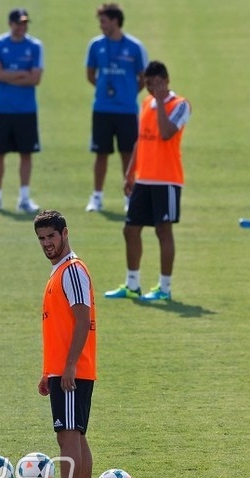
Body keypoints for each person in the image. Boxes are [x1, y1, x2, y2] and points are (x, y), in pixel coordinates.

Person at [27, 210, 97, 478]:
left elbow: (83, 321)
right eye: (41, 238)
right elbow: (59, 328)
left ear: (65, 233)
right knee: (76, 436)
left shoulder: (72, 271)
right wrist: (49, 371)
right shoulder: (59, 272)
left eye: (51, 236)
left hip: (73, 371)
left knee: (68, 436)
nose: (46, 243)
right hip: (63, 370)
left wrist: (68, 367)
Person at [104, 61, 191, 302]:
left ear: (166, 80)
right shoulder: (145, 103)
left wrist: (161, 102)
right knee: (130, 229)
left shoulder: (180, 105)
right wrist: (130, 172)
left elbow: (166, 132)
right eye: (148, 84)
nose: (151, 89)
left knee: (163, 231)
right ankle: (132, 284)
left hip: (167, 180)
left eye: (155, 83)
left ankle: (165, 288)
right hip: (144, 179)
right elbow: (140, 140)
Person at [84, 2, 148, 212]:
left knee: (128, 154)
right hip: (102, 109)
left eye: (104, 21)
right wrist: (104, 90)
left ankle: (129, 198)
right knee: (101, 153)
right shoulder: (95, 45)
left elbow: (143, 78)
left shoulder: (134, 47)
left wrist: (127, 93)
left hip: (127, 110)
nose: (101, 25)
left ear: (115, 21)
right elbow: (91, 74)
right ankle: (97, 197)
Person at [0, 8, 44, 214]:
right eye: (18, 23)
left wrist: (8, 75)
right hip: (2, 109)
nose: (22, 27)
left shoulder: (35, 46)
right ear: (11, 24)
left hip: (26, 110)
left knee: (26, 153)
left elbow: (35, 78)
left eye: (25, 23)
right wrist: (22, 74)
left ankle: (24, 197)